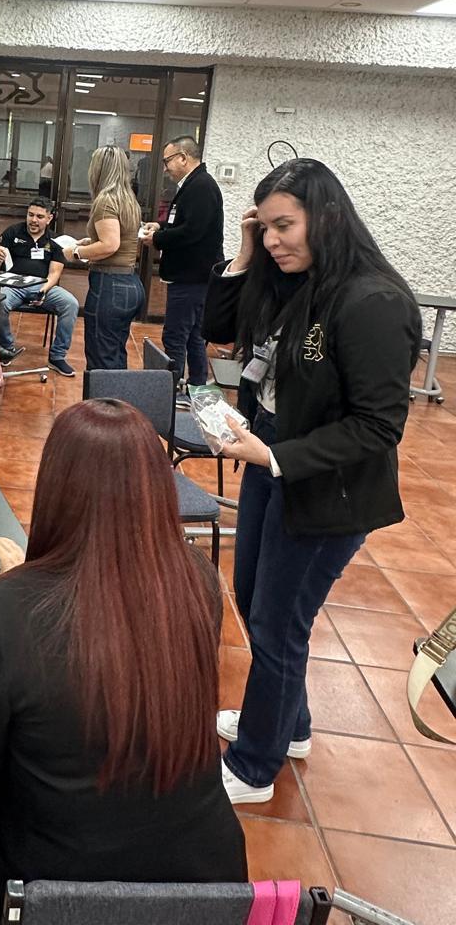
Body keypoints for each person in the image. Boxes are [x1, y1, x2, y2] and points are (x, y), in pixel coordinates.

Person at [0, 400, 247, 923]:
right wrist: (30, 581)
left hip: (52, 894)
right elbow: (109, 643)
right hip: (203, 885)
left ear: (57, 487)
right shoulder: (198, 581)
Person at [202, 158, 422, 805]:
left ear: (325, 217)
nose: (273, 240)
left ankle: (255, 766)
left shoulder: (372, 301)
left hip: (327, 489)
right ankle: (288, 724)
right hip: (271, 458)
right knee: (255, 601)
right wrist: (245, 252)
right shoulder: (294, 281)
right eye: (264, 227)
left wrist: (275, 456)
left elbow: (379, 426)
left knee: (278, 623)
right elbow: (218, 328)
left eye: (284, 226)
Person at [144, 137, 224, 388]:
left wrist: (157, 239)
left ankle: (173, 390)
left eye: (167, 161)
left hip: (191, 278)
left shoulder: (201, 186)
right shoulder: (193, 184)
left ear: (183, 157)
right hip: (194, 276)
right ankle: (197, 385)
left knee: (176, 336)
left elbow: (192, 231)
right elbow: (183, 222)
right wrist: (161, 226)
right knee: (193, 336)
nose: (165, 168)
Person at [70, 144, 145, 370]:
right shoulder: (129, 200)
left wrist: (76, 252)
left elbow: (110, 245)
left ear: (98, 169)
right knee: (115, 354)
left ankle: (104, 395)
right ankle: (118, 394)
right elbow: (122, 239)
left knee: (101, 360)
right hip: (130, 283)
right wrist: (91, 242)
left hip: (110, 286)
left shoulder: (106, 200)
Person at [0, 197, 79, 377]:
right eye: (30, 215)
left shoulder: (55, 240)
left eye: (39, 216)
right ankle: (6, 347)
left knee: (70, 303)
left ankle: (57, 356)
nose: (33, 220)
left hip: (42, 285)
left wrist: (43, 291)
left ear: (49, 218)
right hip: (13, 285)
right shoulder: (12, 232)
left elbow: (55, 273)